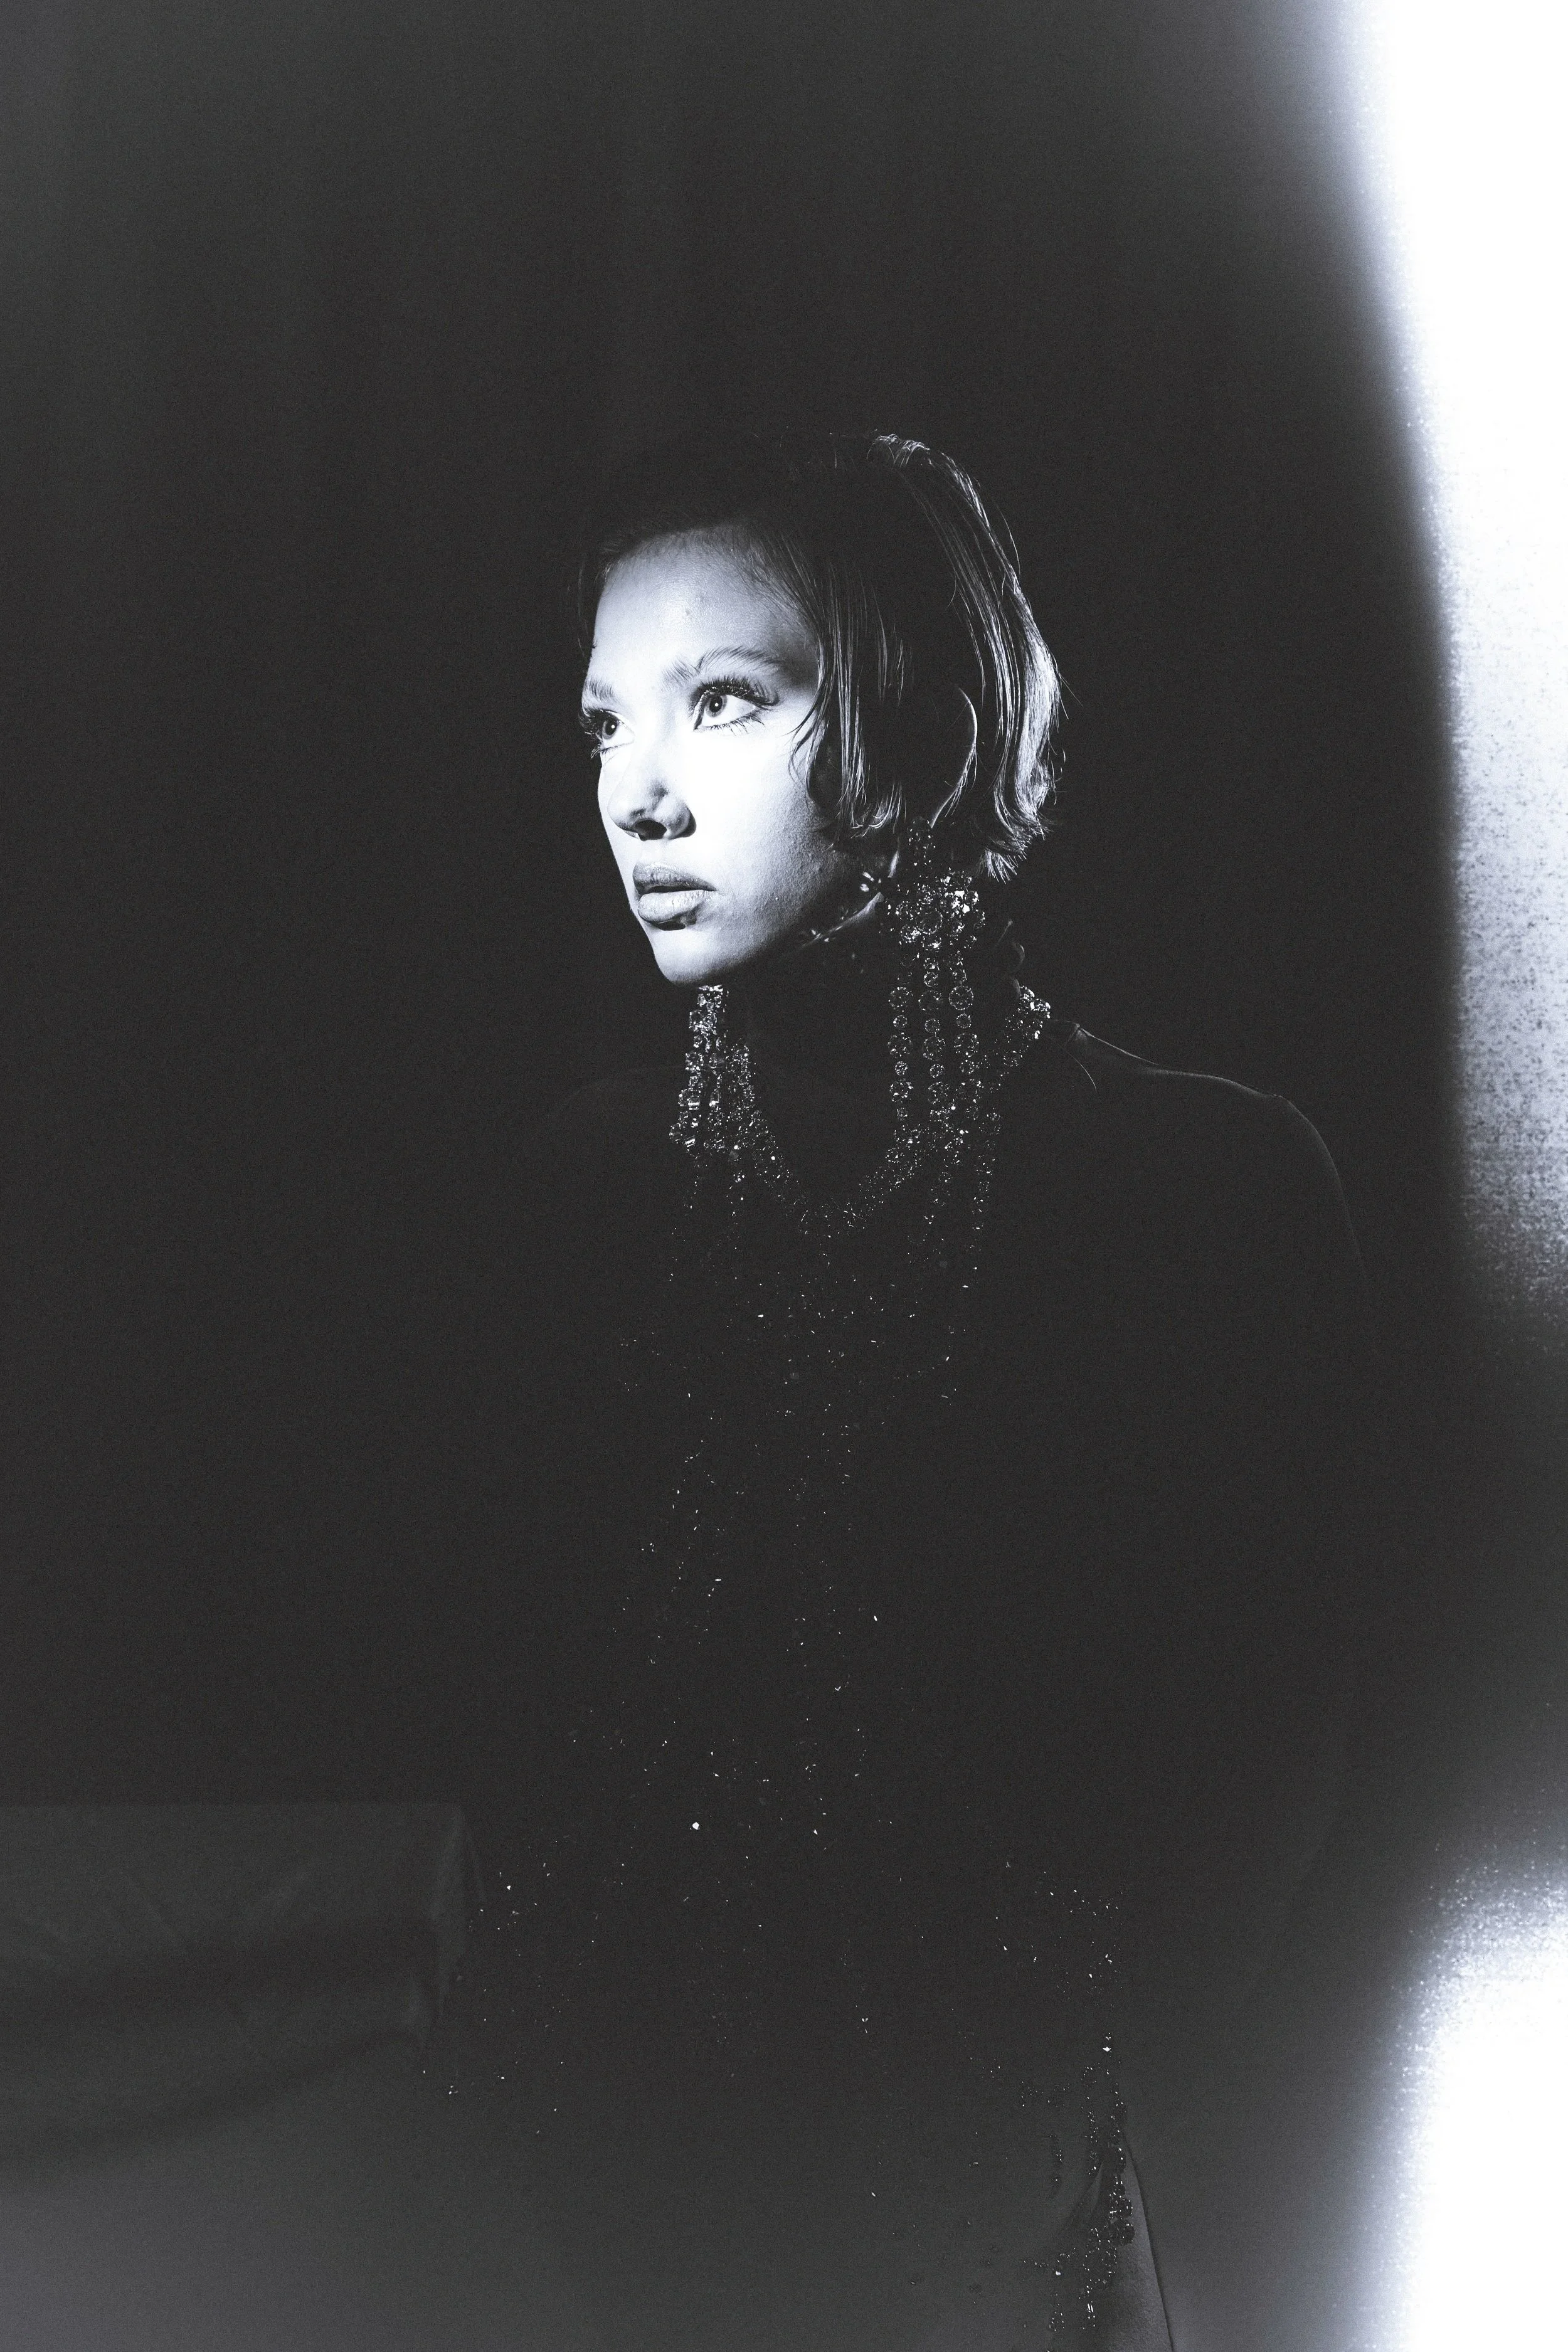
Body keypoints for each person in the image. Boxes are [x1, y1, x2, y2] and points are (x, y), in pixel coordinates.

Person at [457, 432, 1374, 2351]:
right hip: (631, 2213)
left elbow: (1257, 1799)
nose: (636, 790)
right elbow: (525, 1774)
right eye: (603, 720)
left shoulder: (1192, 1191)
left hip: (1032, 2205)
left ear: (918, 722)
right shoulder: (576, 1201)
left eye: (724, 701)